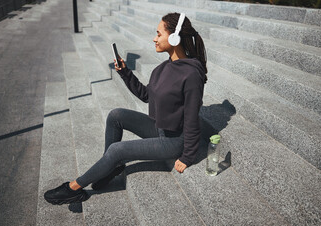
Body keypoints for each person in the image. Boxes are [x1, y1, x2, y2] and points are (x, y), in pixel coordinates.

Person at [44, 12, 208, 205]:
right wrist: (124, 72)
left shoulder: (191, 74)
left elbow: (191, 117)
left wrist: (188, 156)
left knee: (117, 150)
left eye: (158, 34)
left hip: (175, 141)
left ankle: (73, 188)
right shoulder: (164, 68)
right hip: (160, 128)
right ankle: (110, 168)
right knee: (116, 115)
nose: (154, 38)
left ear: (174, 37)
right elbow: (147, 95)